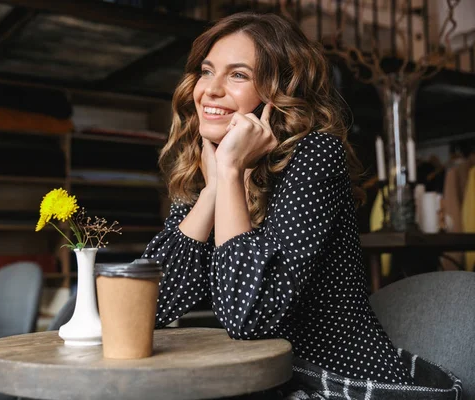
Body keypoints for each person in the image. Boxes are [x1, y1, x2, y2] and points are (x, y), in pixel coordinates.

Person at [142, 11, 462, 400]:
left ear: (279, 92)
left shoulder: (316, 154)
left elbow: (250, 318)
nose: (211, 89)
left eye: (238, 75)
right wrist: (213, 189)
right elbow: (148, 304)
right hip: (268, 378)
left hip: (339, 380)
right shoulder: (207, 166)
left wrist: (227, 174)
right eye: (207, 71)